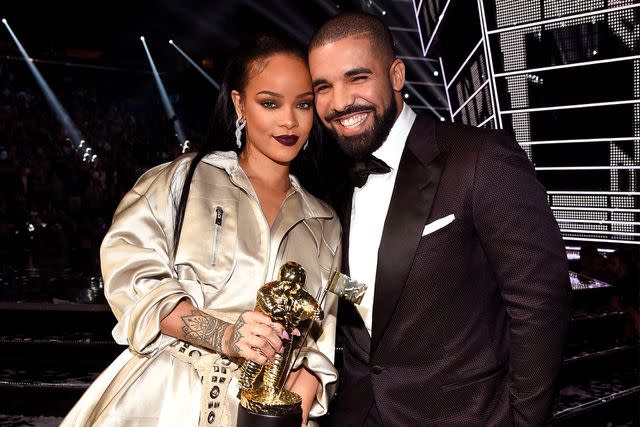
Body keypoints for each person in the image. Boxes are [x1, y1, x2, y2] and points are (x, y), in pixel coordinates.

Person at [62, 34, 341, 427]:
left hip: (266, 411)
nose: (289, 121)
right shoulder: (182, 179)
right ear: (239, 104)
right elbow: (134, 273)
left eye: (304, 104)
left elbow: (319, 336)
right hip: (167, 397)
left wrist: (299, 395)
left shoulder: (324, 223)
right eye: (269, 103)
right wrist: (223, 335)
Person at [308, 12, 571, 426]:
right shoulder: (335, 185)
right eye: (323, 86)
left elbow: (541, 300)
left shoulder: (480, 157)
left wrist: (520, 420)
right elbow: (363, 301)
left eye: (357, 78)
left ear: (396, 75)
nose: (339, 102)